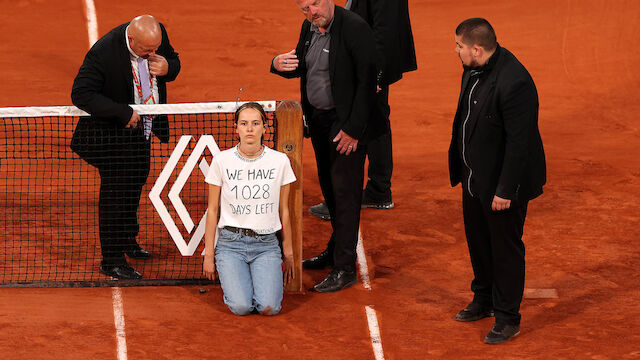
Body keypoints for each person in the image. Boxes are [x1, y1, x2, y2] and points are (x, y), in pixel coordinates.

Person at [271, 0, 384, 292]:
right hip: (319, 122)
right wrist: (277, 65)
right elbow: (305, 65)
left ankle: (344, 267)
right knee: (331, 190)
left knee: (345, 194)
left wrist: (353, 131)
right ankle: (336, 250)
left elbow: (368, 84)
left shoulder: (355, 29)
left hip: (345, 125)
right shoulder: (309, 27)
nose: (311, 13)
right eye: (304, 9)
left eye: (315, 5)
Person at [449, 18, 546, 344]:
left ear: (476, 49)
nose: (456, 51)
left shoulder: (514, 81)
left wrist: (505, 190)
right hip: (475, 178)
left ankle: (507, 317)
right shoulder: (474, 68)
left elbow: (521, 144)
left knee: (505, 249)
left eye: (459, 46)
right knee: (478, 242)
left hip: (504, 185)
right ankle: (484, 299)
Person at [70, 15, 181, 279]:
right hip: (112, 136)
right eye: (146, 51)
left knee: (136, 180)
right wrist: (122, 113)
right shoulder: (103, 53)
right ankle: (111, 260)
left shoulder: (155, 36)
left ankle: (128, 240)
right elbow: (81, 94)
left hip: (141, 131)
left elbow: (173, 62)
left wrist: (169, 68)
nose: (153, 53)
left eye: (156, 48)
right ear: (131, 39)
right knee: (115, 195)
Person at [308, 0, 417, 221]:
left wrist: (374, 74)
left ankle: (368, 192)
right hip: (363, 59)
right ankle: (378, 190)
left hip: (370, 64)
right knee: (375, 117)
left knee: (369, 119)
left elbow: (385, 31)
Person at [202, 102, 296, 316]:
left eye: (255, 123)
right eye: (244, 123)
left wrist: (288, 254)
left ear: (264, 127)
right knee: (241, 307)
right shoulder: (221, 161)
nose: (250, 128)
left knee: (269, 308)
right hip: (230, 244)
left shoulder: (280, 161)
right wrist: (209, 255)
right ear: (236, 128)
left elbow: (285, 211)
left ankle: (256, 282)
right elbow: (213, 210)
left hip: (267, 245)